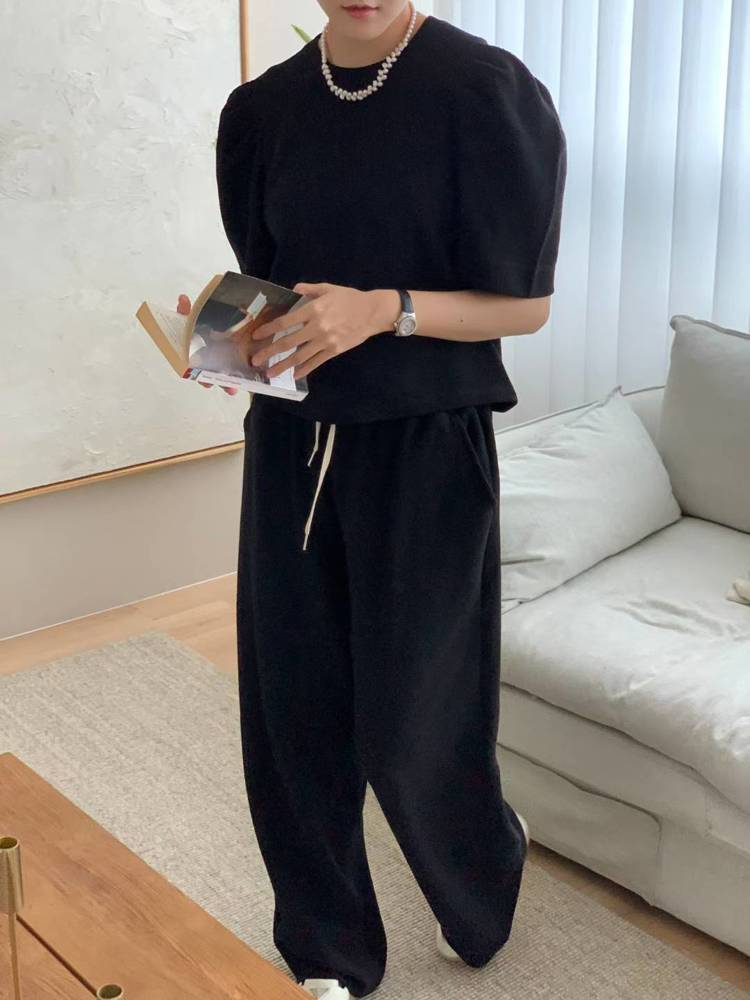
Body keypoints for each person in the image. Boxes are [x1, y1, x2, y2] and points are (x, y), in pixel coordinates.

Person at [181, 4, 566, 998]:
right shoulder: (261, 112)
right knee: (292, 710)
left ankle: (482, 862)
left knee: (412, 716)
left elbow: (526, 305)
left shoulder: (486, 94)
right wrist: (234, 342)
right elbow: (280, 295)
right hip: (292, 445)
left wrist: (384, 311)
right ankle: (329, 951)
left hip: (427, 445)